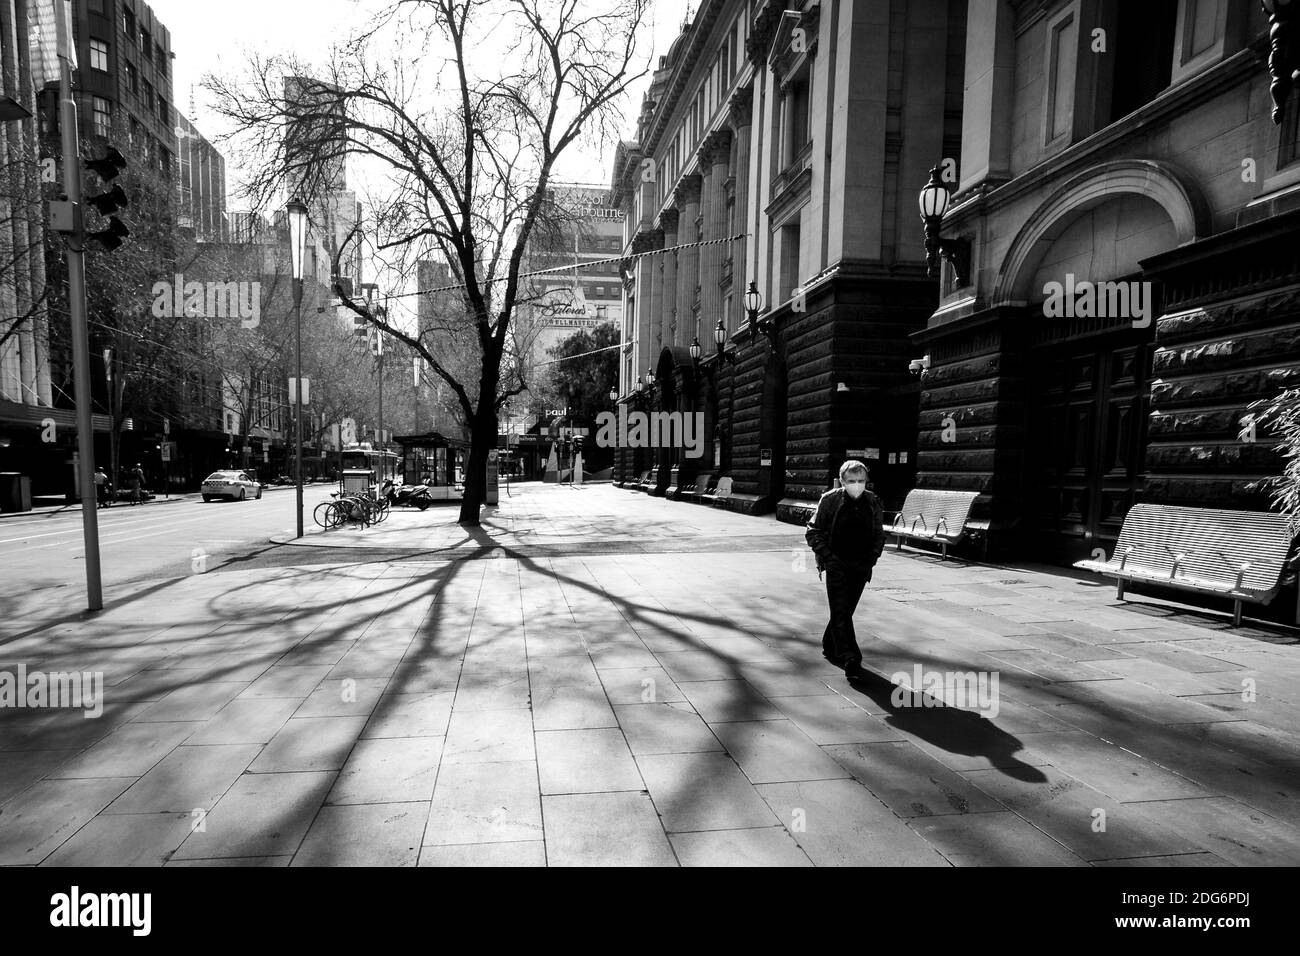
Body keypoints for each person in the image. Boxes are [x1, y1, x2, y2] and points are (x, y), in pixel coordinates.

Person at [805, 460, 886, 680]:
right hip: (836, 563)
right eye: (851, 481)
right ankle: (851, 658)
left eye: (861, 480)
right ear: (842, 481)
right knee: (841, 608)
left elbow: (879, 533)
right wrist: (828, 558)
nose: (857, 485)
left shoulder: (873, 501)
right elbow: (813, 531)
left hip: (861, 564)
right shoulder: (830, 500)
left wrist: (872, 558)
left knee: (845, 609)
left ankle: (829, 643)